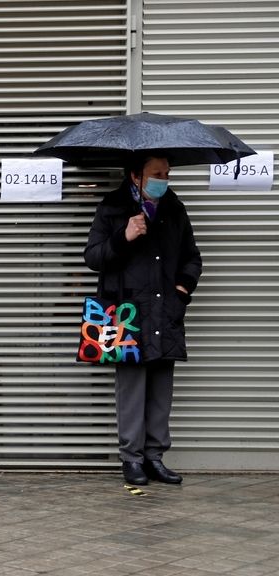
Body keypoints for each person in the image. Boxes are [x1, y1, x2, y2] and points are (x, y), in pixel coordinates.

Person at [84, 154, 202, 486]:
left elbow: (192, 257)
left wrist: (182, 290)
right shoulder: (112, 207)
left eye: (167, 173)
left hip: (165, 311)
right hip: (128, 313)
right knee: (132, 389)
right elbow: (92, 256)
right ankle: (132, 459)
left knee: (161, 388)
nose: (164, 179)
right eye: (157, 173)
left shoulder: (174, 209)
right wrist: (124, 236)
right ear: (136, 176)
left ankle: (154, 457)